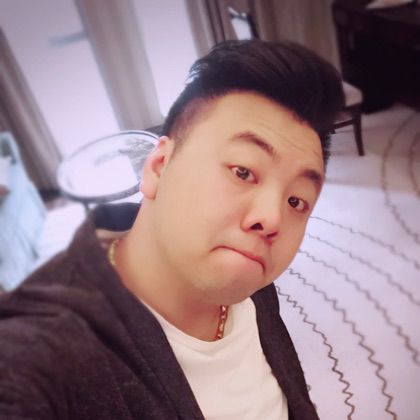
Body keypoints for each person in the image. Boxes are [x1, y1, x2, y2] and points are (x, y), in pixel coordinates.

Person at [0, 40, 344, 419]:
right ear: (159, 166)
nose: (272, 219)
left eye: (296, 201)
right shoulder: (38, 359)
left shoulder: (248, 277)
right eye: (243, 171)